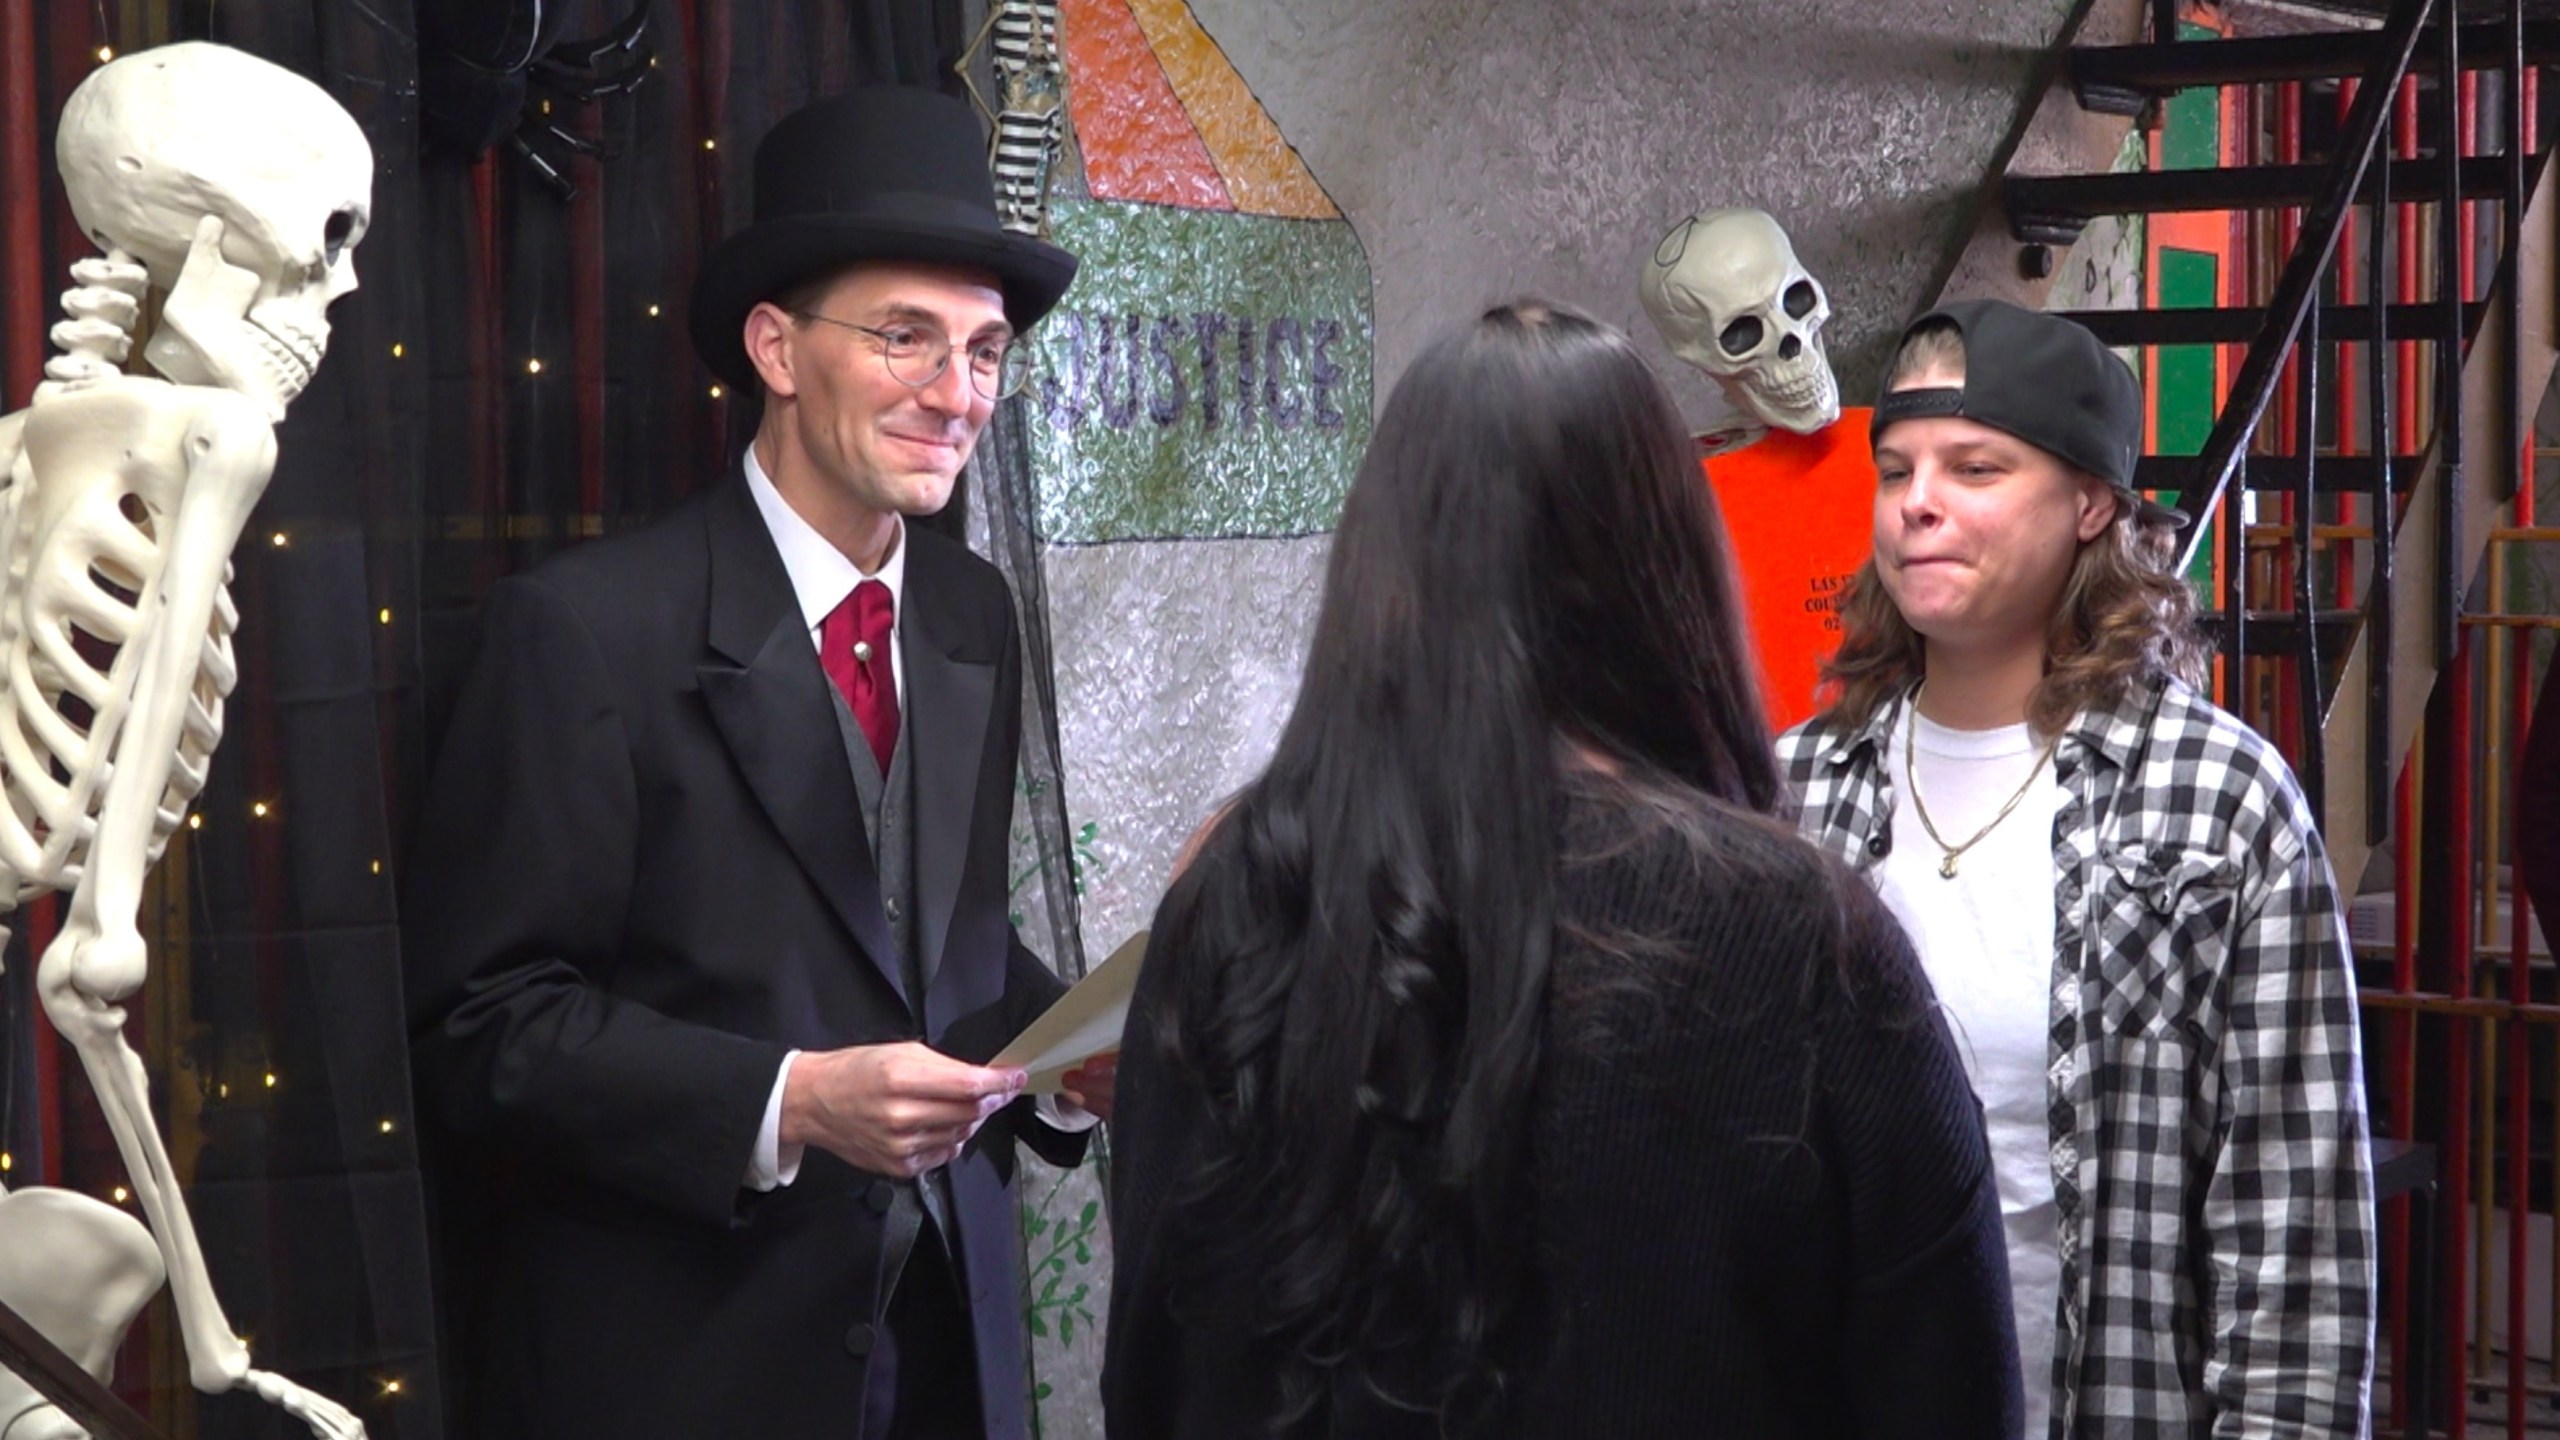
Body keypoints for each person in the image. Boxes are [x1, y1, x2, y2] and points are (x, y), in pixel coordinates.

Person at [1103, 301, 2023, 1440]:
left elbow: (1148, 1365)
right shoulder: (1794, 936)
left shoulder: (1237, 895)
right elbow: (1947, 1387)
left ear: (1383, 559)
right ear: (1665, 560)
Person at [404, 87, 1111, 1440]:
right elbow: (479, 1026)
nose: (956, 395)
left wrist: (1067, 1058)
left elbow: (932, 942)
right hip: (689, 1368)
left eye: (983, 350)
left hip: (952, 1359)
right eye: (904, 338)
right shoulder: (584, 633)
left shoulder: (971, 617)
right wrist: (787, 1102)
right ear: (776, 348)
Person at [1778, 299, 2375, 1438]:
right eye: (1895, 468)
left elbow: (2295, 1256)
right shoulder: (1791, 791)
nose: (1918, 503)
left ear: (2091, 501)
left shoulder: (2219, 808)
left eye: (1975, 466)